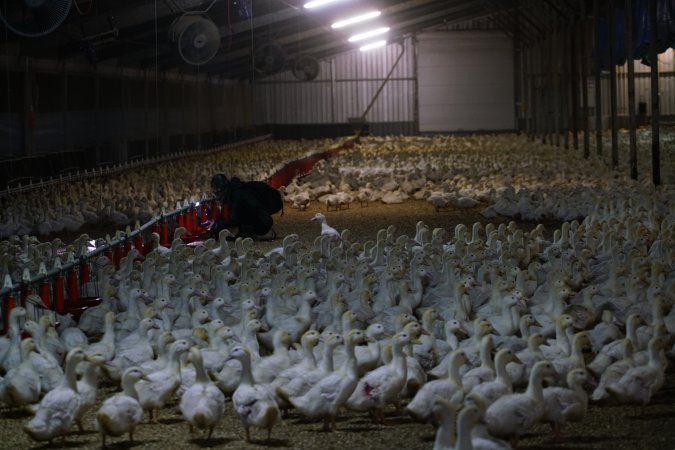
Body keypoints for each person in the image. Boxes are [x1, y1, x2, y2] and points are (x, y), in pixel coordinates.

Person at [210, 173, 276, 241]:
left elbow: (235, 219)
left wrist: (219, 226)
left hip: (263, 223)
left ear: (223, 187)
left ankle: (249, 233)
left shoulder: (236, 194)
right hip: (264, 220)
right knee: (241, 209)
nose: (217, 193)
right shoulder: (236, 191)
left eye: (218, 190)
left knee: (242, 209)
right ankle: (244, 232)